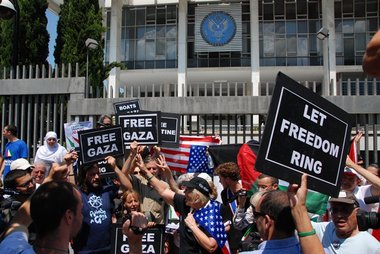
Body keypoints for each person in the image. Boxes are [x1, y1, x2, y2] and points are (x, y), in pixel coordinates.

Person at [135, 153, 229, 254]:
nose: (184, 192)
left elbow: (211, 246)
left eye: (188, 190)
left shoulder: (216, 210)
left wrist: (193, 226)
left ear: (196, 197)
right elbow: (163, 191)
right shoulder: (185, 203)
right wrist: (145, 171)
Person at [0, 152, 81, 254]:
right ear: (69, 217)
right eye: (25, 184)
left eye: (31, 180)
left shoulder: (13, 248)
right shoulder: (6, 211)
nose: (31, 185)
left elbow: (20, 222)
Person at [72, 156, 132, 254]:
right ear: (84, 176)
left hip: (107, 248)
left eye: (98, 174)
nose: (96, 177)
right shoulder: (77, 193)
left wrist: (114, 167)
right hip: (84, 250)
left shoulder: (106, 190)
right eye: (92, 174)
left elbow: (128, 187)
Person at [311, 191, 380, 253]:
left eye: (345, 210)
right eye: (334, 210)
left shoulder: (372, 246)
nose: (339, 215)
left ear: (357, 212)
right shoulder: (324, 229)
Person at [214, 162, 249, 254]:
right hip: (232, 237)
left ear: (227, 179)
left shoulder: (246, 193)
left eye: (220, 178)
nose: (220, 182)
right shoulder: (225, 193)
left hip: (245, 235)